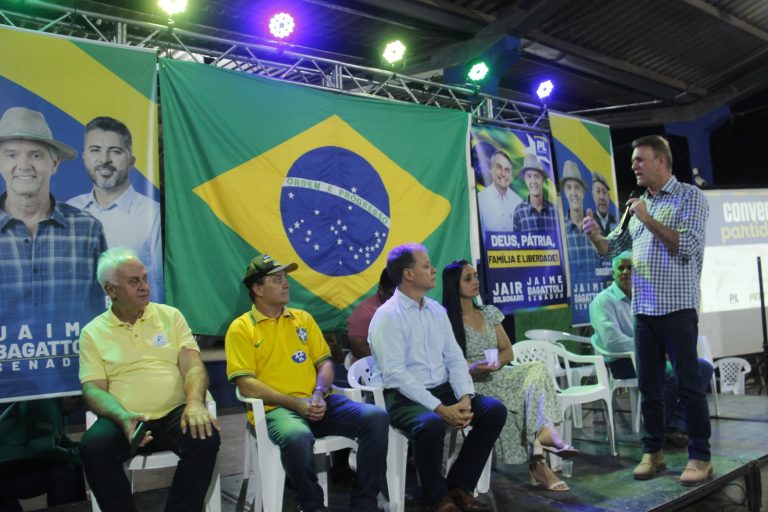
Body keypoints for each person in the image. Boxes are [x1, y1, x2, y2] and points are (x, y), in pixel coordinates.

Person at [582, 135, 712, 486]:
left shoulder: (689, 197)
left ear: (661, 162)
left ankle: (700, 457)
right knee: (650, 387)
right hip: (644, 311)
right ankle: (652, 453)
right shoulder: (637, 206)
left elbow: (687, 245)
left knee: (688, 385)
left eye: (640, 160)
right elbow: (611, 248)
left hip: (678, 309)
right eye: (633, 161)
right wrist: (594, 235)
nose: (634, 166)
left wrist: (648, 217)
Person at [225, 253, 388, 512]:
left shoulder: (302, 318)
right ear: (257, 289)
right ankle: (312, 504)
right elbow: (245, 383)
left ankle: (365, 502)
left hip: (318, 402)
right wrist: (296, 403)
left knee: (376, 417)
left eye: (285, 278)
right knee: (297, 436)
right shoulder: (242, 328)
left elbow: (325, 364)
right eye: (277, 279)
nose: (286, 283)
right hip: (277, 409)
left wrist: (319, 394)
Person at [78, 248, 220, 512]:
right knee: (93, 448)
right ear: (111, 290)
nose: (144, 287)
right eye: (134, 282)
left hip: (175, 412)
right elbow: (93, 390)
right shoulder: (92, 333)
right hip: (126, 419)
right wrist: (123, 417)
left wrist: (194, 403)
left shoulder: (170, 316)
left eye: (144, 278)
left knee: (205, 437)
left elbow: (193, 366)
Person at [368, 243, 507, 512]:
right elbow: (396, 375)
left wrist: (465, 397)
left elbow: (454, 357)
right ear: (408, 274)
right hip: (403, 395)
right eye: (426, 266)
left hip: (442, 388)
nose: (433, 270)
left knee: (493, 411)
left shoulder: (435, 310)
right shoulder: (387, 317)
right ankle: (436, 498)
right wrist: (441, 408)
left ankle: (459, 486)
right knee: (430, 424)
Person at [442, 260, 576, 492]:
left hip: (498, 374)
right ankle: (539, 458)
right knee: (518, 401)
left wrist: (496, 363)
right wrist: (473, 368)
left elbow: (508, 351)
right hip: (472, 384)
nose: (476, 281)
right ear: (454, 285)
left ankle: (544, 433)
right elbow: (446, 364)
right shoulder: (445, 320)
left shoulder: (488, 312)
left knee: (536, 369)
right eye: (468, 278)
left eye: (476, 276)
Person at [589, 251, 714, 448]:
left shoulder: (645, 296)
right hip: (623, 362)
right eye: (620, 268)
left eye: (630, 267)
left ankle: (673, 425)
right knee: (673, 375)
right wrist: (651, 348)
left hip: (651, 358)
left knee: (703, 368)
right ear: (613, 273)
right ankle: (657, 428)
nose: (626, 272)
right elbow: (612, 341)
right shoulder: (603, 301)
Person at [0, 106, 106, 326]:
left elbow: (105, 311)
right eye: (11, 155)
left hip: (77, 350)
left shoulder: (87, 229)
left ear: (54, 164)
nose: (24, 165)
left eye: (36, 155)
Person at [68, 116, 164, 302]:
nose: (104, 160)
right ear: (84, 157)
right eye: (95, 150)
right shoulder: (70, 211)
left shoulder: (153, 215)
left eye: (115, 151)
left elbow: (160, 284)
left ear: (131, 160)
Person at [0, 397, 86, 511]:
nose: (79, 409)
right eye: (80, 403)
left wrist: (83, 450)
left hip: (18, 463)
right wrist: (74, 455)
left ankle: (80, 508)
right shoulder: (41, 403)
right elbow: (43, 449)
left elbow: (61, 441)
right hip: (6, 469)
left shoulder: (59, 406)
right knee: (63, 471)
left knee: (74, 464)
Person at [560, 160, 604, 291]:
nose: (573, 193)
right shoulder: (560, 229)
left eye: (577, 187)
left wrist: (597, 240)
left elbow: (608, 263)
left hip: (597, 297)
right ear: (564, 192)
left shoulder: (597, 226)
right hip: (571, 299)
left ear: (583, 192)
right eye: (569, 187)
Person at [347, 268, 396, 363]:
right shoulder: (365, 313)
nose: (397, 299)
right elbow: (357, 349)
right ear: (381, 290)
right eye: (393, 295)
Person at [477, 150, 521, 233]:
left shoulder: (519, 203)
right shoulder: (480, 199)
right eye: (499, 167)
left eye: (507, 170)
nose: (503, 174)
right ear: (491, 170)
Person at [512, 154, 558, 232]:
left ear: (543, 179)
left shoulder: (555, 211)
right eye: (529, 176)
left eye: (537, 176)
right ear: (525, 180)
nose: (533, 181)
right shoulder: (519, 211)